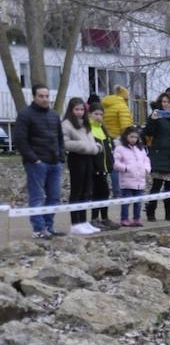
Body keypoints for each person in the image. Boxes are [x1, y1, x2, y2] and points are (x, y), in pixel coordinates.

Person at [14, 85, 65, 240]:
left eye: (46, 96)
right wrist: (34, 159)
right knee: (37, 197)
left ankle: (49, 227)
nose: (45, 99)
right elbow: (20, 140)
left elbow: (60, 138)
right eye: (41, 96)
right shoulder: (25, 115)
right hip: (36, 164)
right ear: (34, 97)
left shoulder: (54, 115)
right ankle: (39, 229)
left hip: (55, 163)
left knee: (54, 197)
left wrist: (61, 157)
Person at [62, 97, 103, 236]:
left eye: (81, 109)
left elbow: (91, 140)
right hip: (76, 158)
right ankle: (75, 222)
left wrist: (96, 147)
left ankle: (84, 221)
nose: (79, 112)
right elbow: (65, 143)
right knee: (77, 190)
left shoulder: (86, 124)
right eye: (76, 109)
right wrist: (83, 146)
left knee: (87, 190)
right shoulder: (66, 124)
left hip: (88, 158)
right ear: (71, 110)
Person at [142, 91, 170, 222]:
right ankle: (150, 212)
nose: (166, 104)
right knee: (156, 186)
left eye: (168, 102)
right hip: (159, 155)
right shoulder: (155, 116)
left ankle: (169, 213)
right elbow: (148, 133)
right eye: (164, 102)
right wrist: (152, 120)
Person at [113, 127, 150, 227]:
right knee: (126, 202)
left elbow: (146, 160)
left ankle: (137, 218)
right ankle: (124, 219)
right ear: (126, 137)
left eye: (136, 137)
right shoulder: (120, 148)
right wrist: (126, 168)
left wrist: (146, 169)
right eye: (131, 137)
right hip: (127, 181)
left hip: (140, 181)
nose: (134, 139)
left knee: (138, 202)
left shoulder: (141, 149)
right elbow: (116, 163)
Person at [88, 106, 115, 229]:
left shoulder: (104, 131)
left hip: (104, 169)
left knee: (104, 193)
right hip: (93, 169)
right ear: (90, 114)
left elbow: (109, 149)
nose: (98, 116)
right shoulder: (88, 129)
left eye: (100, 114)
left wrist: (110, 164)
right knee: (95, 194)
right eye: (96, 114)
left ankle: (104, 218)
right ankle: (94, 218)